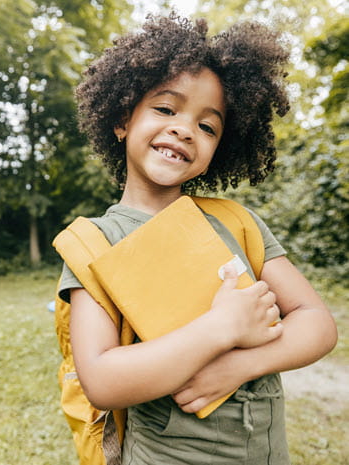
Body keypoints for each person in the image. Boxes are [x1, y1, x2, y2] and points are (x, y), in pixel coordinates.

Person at [58, 14, 338, 464]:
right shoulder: (94, 243)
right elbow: (103, 381)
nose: (185, 129)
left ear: (216, 154)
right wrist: (221, 328)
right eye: (166, 109)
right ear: (121, 120)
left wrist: (240, 364)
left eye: (208, 127)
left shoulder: (237, 222)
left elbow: (317, 324)